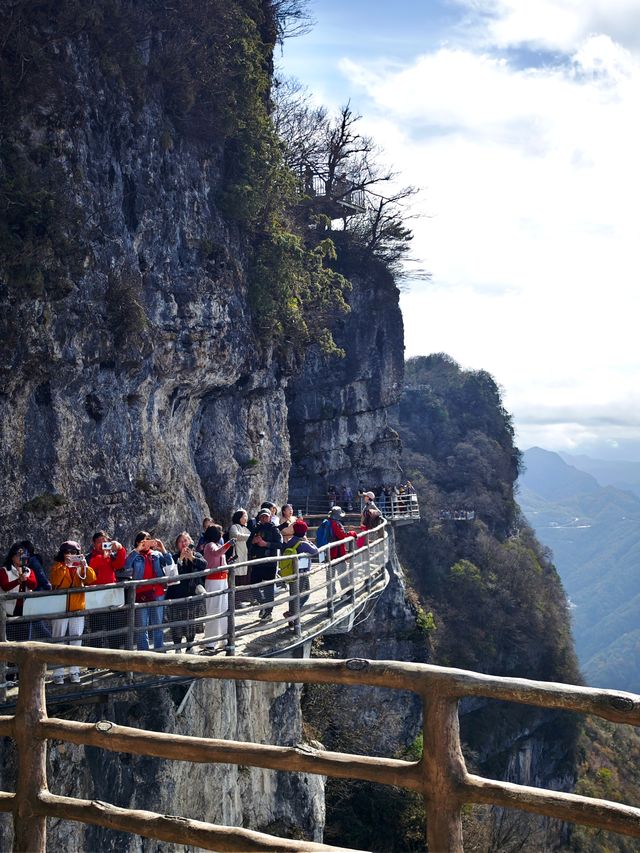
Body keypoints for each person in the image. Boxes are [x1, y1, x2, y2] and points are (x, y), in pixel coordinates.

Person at [50, 541, 97, 684]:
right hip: (60, 608)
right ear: (63, 553)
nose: (70, 555)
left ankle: (74, 671)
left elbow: (91, 579)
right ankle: (57, 672)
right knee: (58, 639)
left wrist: (84, 565)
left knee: (76, 639)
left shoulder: (80, 566)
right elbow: (56, 581)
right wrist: (65, 565)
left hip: (77, 607)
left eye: (74, 553)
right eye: (67, 552)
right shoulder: (57, 567)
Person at [123, 532, 173, 652]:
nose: (147, 543)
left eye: (148, 540)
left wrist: (163, 549)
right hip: (141, 593)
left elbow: (170, 563)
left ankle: (159, 651)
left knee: (158, 625)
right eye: (143, 541)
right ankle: (143, 654)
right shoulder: (134, 555)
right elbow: (126, 566)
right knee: (142, 627)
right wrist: (137, 550)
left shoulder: (156, 554)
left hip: (157, 592)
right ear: (138, 542)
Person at [86, 530, 127, 649]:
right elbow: (90, 569)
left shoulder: (111, 556)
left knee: (114, 627)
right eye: (99, 542)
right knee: (96, 629)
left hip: (110, 596)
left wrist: (120, 549)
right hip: (96, 598)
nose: (102, 544)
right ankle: (94, 663)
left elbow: (119, 565)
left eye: (105, 542)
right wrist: (103, 557)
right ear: (94, 544)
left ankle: (115, 659)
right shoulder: (89, 557)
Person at [168, 532, 207, 652]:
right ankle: (177, 647)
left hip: (192, 593)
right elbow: (172, 573)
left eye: (185, 540)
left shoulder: (196, 555)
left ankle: (190, 646)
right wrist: (180, 559)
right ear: (177, 544)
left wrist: (192, 558)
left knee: (191, 621)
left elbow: (204, 565)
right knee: (177, 622)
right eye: (181, 541)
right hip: (176, 594)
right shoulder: (173, 557)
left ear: (190, 542)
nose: (183, 543)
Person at [201, 524, 234, 652]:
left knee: (223, 609)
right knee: (214, 609)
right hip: (213, 580)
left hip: (221, 579)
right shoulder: (210, 546)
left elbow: (220, 557)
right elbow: (216, 553)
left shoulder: (217, 546)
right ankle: (210, 641)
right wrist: (228, 545)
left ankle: (223, 639)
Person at [249, 507, 283, 622]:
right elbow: (248, 543)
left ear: (270, 517)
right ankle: (264, 605)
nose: (264, 518)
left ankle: (268, 612)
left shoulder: (274, 529)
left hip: (270, 563)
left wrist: (266, 544)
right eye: (262, 516)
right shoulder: (255, 528)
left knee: (269, 588)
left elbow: (280, 544)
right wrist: (253, 542)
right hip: (257, 561)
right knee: (253, 585)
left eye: (266, 516)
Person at [282, 520, 318, 628]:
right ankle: (292, 614)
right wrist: (309, 542)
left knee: (293, 594)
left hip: (291, 571)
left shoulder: (291, 541)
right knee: (304, 594)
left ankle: (292, 616)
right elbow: (316, 551)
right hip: (301, 573)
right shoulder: (303, 543)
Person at [1, 543, 38, 642]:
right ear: (12, 557)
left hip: (24, 609)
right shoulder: (4, 571)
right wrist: (18, 580)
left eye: (24, 555)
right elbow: (5, 586)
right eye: (18, 555)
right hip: (8, 609)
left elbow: (34, 585)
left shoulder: (29, 571)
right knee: (8, 638)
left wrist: (25, 579)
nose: (21, 558)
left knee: (23, 638)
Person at [229, 509, 252, 606]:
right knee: (237, 577)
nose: (246, 518)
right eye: (244, 516)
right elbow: (236, 536)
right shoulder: (234, 527)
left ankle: (242, 597)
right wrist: (251, 536)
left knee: (244, 577)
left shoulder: (246, 529)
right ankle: (235, 600)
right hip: (237, 555)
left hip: (245, 555)